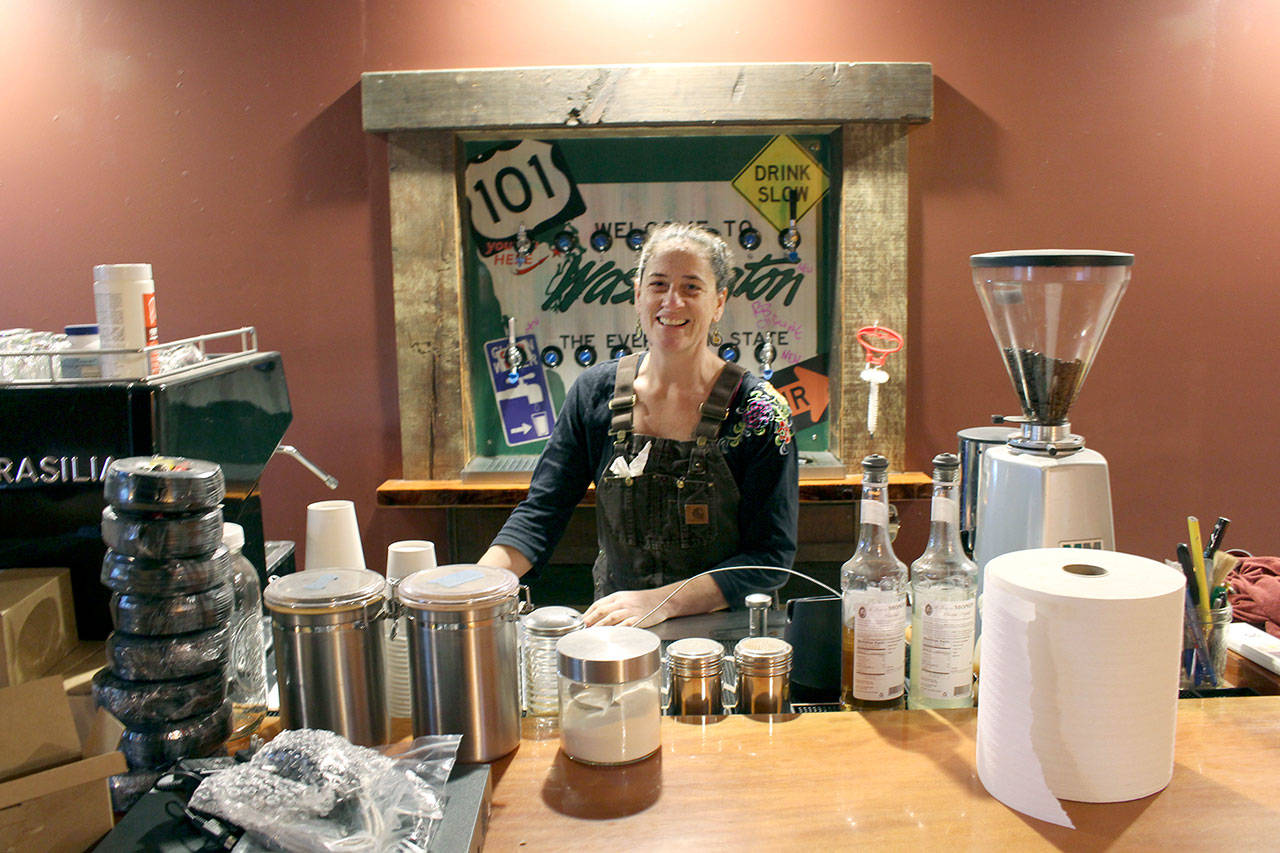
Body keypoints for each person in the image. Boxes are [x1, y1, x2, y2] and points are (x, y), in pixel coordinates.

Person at [480, 222, 798, 627]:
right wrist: (478, 587)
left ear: (719, 302)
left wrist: (664, 601)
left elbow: (771, 558)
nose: (672, 301)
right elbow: (542, 513)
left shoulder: (760, 412)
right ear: (637, 295)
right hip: (619, 636)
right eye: (659, 285)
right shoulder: (593, 393)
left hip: (728, 636)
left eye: (691, 288)